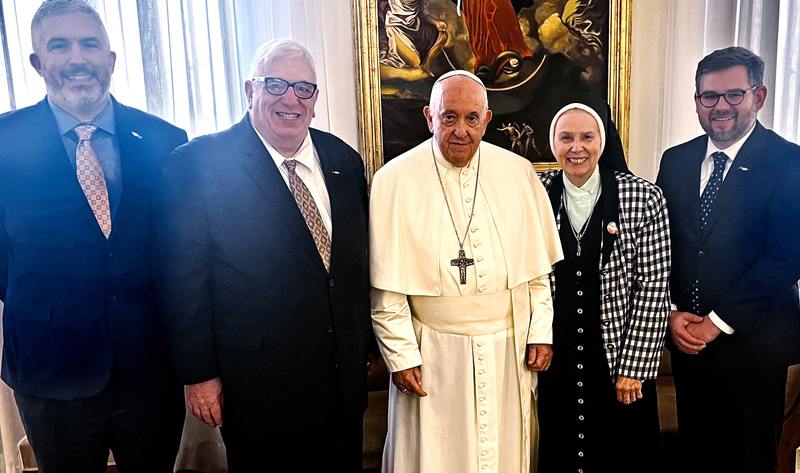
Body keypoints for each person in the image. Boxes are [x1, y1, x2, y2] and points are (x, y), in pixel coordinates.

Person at [153, 38, 371, 472]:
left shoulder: (344, 161)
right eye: (276, 84)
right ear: (250, 90)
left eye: (303, 88)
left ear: (315, 100)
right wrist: (199, 375)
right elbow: (182, 281)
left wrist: (364, 345)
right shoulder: (199, 164)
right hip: (256, 389)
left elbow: (352, 267)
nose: (291, 98)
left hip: (340, 384)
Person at [0, 1, 187, 471]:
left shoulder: (165, 139)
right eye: (59, 45)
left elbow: (179, 250)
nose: (77, 57)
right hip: (51, 369)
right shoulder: (4, 142)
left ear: (110, 58)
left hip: (149, 369)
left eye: (90, 43)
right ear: (38, 63)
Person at [370, 70, 562, 473]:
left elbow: (537, 272)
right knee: (437, 455)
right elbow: (386, 291)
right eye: (449, 117)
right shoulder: (393, 180)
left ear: (487, 120)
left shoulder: (518, 173)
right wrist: (401, 355)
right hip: (434, 354)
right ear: (429, 117)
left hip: (506, 351)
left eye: (471, 118)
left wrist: (540, 331)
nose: (461, 130)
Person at [656, 46, 800, 473]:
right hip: (689, 347)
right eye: (709, 96)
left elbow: (785, 257)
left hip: (754, 349)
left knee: (749, 462)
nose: (720, 107)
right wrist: (671, 313)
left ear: (760, 96)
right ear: (697, 101)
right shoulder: (676, 161)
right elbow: (660, 246)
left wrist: (715, 323)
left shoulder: (789, 162)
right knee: (696, 459)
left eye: (733, 95)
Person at [537, 101, 671, 472]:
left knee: (621, 453)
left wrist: (635, 366)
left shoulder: (643, 197)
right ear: (553, 143)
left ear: (603, 140)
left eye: (586, 137)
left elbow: (653, 287)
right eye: (566, 138)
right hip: (556, 355)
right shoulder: (536, 193)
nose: (576, 148)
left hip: (616, 355)